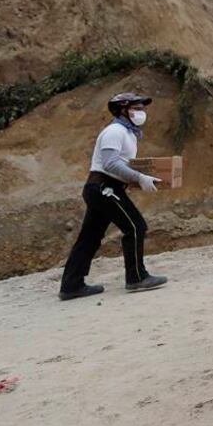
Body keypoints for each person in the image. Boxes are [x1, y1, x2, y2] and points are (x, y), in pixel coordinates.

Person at [59, 93, 167, 300]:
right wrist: (139, 177)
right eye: (136, 108)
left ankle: (71, 285)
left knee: (89, 237)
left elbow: (119, 166)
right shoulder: (115, 131)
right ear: (122, 110)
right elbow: (110, 163)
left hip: (102, 187)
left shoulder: (128, 133)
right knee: (135, 226)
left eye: (141, 108)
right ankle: (136, 278)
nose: (141, 112)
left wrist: (139, 179)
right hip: (104, 187)